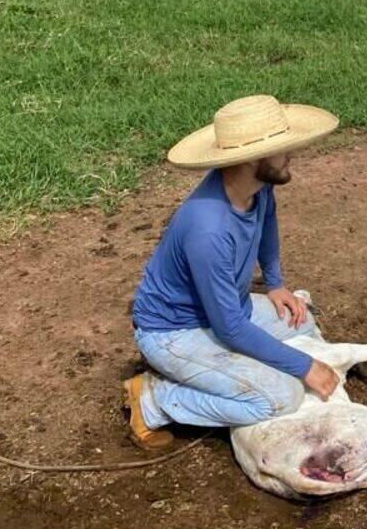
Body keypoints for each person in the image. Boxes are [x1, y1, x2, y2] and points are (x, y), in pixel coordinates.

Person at [123, 94, 340, 449]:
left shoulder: (258, 185)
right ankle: (153, 400)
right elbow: (230, 328)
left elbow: (267, 223)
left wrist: (275, 283)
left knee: (301, 320)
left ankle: (232, 376)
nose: (291, 155)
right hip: (174, 332)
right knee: (281, 397)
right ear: (251, 159)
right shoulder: (208, 229)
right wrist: (303, 367)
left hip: (227, 309)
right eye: (282, 148)